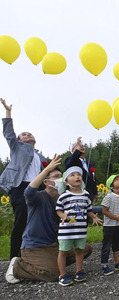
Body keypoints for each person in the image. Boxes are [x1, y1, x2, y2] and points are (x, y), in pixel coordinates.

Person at [5, 155, 92, 284]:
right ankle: (18, 266)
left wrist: (107, 210)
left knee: (85, 248)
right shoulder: (37, 198)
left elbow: (83, 209)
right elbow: (28, 192)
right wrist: (46, 170)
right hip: (35, 246)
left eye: (61, 176)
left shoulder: (63, 199)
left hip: (54, 245)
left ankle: (52, 263)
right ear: (46, 182)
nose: (60, 179)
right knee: (52, 275)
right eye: (56, 177)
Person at [0, 98, 47, 259]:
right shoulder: (17, 148)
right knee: (21, 222)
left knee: (37, 220)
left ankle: (33, 256)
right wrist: (8, 111)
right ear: (19, 140)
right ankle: (15, 260)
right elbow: (8, 133)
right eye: (24, 134)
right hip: (20, 188)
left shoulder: (40, 156)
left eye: (30, 133)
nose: (27, 135)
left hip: (37, 189)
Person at [56, 166, 102, 286]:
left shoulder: (86, 195)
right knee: (63, 251)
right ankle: (62, 274)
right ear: (66, 182)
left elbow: (88, 209)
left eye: (79, 175)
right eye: (72, 175)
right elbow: (58, 210)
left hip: (81, 229)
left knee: (79, 251)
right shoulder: (63, 196)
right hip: (66, 230)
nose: (77, 177)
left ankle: (79, 271)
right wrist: (63, 216)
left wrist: (94, 217)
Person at [100, 174, 119, 276]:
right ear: (112, 186)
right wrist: (117, 218)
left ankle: (117, 263)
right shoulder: (109, 197)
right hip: (109, 225)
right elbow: (104, 211)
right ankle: (104, 265)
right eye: (117, 180)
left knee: (117, 244)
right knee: (107, 245)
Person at [65, 137, 98, 201]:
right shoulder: (71, 160)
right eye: (77, 146)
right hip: (77, 194)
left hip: (89, 194)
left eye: (82, 145)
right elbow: (69, 164)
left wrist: (95, 193)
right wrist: (77, 152)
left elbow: (93, 178)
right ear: (72, 151)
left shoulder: (89, 163)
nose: (81, 147)